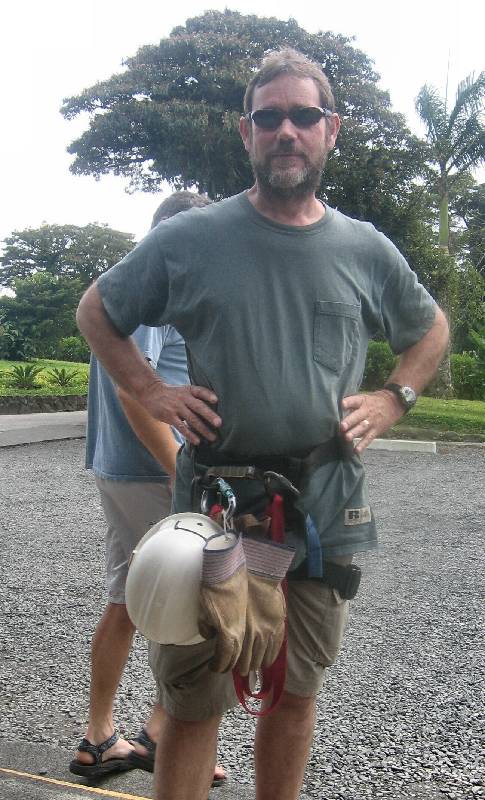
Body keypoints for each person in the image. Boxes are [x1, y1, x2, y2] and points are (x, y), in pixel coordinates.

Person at [76, 49, 449, 800]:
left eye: (303, 116)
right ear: (245, 132)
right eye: (269, 117)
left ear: (330, 130)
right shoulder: (190, 239)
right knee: (193, 700)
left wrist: (393, 398)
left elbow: (430, 328)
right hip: (213, 509)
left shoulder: (363, 247)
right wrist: (148, 389)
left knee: (293, 693)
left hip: (319, 510)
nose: (287, 130)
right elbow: (97, 310)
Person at [69, 191, 226, 787]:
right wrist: (179, 472)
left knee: (130, 597)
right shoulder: (159, 288)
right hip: (153, 470)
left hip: (118, 468)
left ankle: (101, 737)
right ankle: (176, 735)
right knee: (194, 603)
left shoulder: (127, 287)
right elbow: (139, 391)